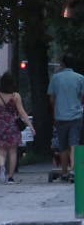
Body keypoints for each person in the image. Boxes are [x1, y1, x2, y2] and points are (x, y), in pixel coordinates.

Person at [0, 72, 34, 184]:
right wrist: (30, 126)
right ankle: (11, 177)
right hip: (13, 126)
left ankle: (2, 167)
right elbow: (22, 112)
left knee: (1, 150)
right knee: (13, 151)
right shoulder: (16, 96)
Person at [47, 54, 84, 182]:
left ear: (63, 64)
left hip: (60, 116)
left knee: (63, 146)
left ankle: (64, 172)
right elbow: (82, 97)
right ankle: (73, 170)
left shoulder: (56, 78)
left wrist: (55, 110)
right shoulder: (80, 78)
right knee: (74, 143)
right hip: (76, 116)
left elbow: (51, 98)